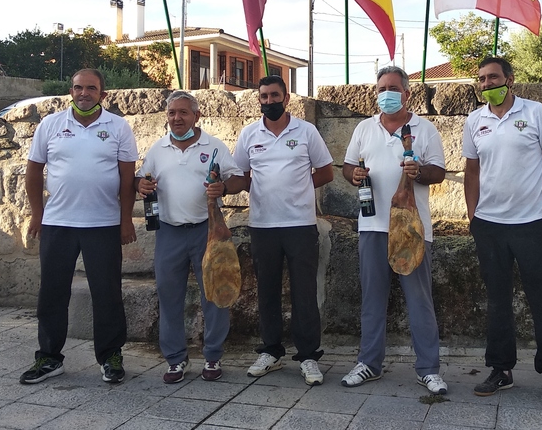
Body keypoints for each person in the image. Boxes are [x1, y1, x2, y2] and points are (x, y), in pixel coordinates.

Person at [463, 56, 542, 409]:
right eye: (481, 79)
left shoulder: (535, 112)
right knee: (497, 302)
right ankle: (500, 369)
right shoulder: (474, 121)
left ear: (510, 80)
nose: (486, 84)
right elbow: (472, 172)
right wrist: (473, 216)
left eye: (493, 77)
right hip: (490, 226)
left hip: (532, 224)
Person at [19, 68, 137, 385]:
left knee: (107, 293)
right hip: (58, 223)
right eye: (78, 88)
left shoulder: (118, 127)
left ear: (103, 94)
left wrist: (126, 219)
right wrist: (36, 213)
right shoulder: (51, 125)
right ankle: (49, 358)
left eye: (91, 88)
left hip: (104, 224)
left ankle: (110, 356)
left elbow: (128, 180)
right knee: (52, 293)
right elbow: (33, 172)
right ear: (71, 91)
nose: (84, 93)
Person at [341, 66, 449, 395]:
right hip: (372, 225)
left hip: (412, 227)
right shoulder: (363, 128)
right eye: (381, 88)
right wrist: (354, 176)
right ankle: (369, 363)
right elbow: (347, 167)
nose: (385, 94)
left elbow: (439, 172)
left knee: (419, 299)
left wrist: (419, 171)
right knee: (372, 299)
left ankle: (428, 369)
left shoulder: (424, 128)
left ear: (407, 93)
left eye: (392, 88)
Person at [136, 91, 245, 384]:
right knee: (169, 296)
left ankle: (213, 356)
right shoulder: (158, 149)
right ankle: (175, 359)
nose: (177, 118)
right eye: (172, 113)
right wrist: (142, 185)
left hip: (206, 230)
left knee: (216, 292)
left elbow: (238, 178)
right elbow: (141, 178)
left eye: (183, 112)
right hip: (169, 232)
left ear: (197, 116)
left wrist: (223, 187)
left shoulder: (214, 147)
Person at [233, 75, 334, 386]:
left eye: (274, 96)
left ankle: (308, 357)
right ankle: (271, 352)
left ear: (286, 97)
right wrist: (219, 187)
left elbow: (326, 172)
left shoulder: (306, 131)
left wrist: (298, 189)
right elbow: (240, 176)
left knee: (304, 292)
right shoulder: (249, 134)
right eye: (263, 97)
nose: (269, 102)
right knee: (267, 291)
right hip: (262, 225)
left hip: (301, 225)